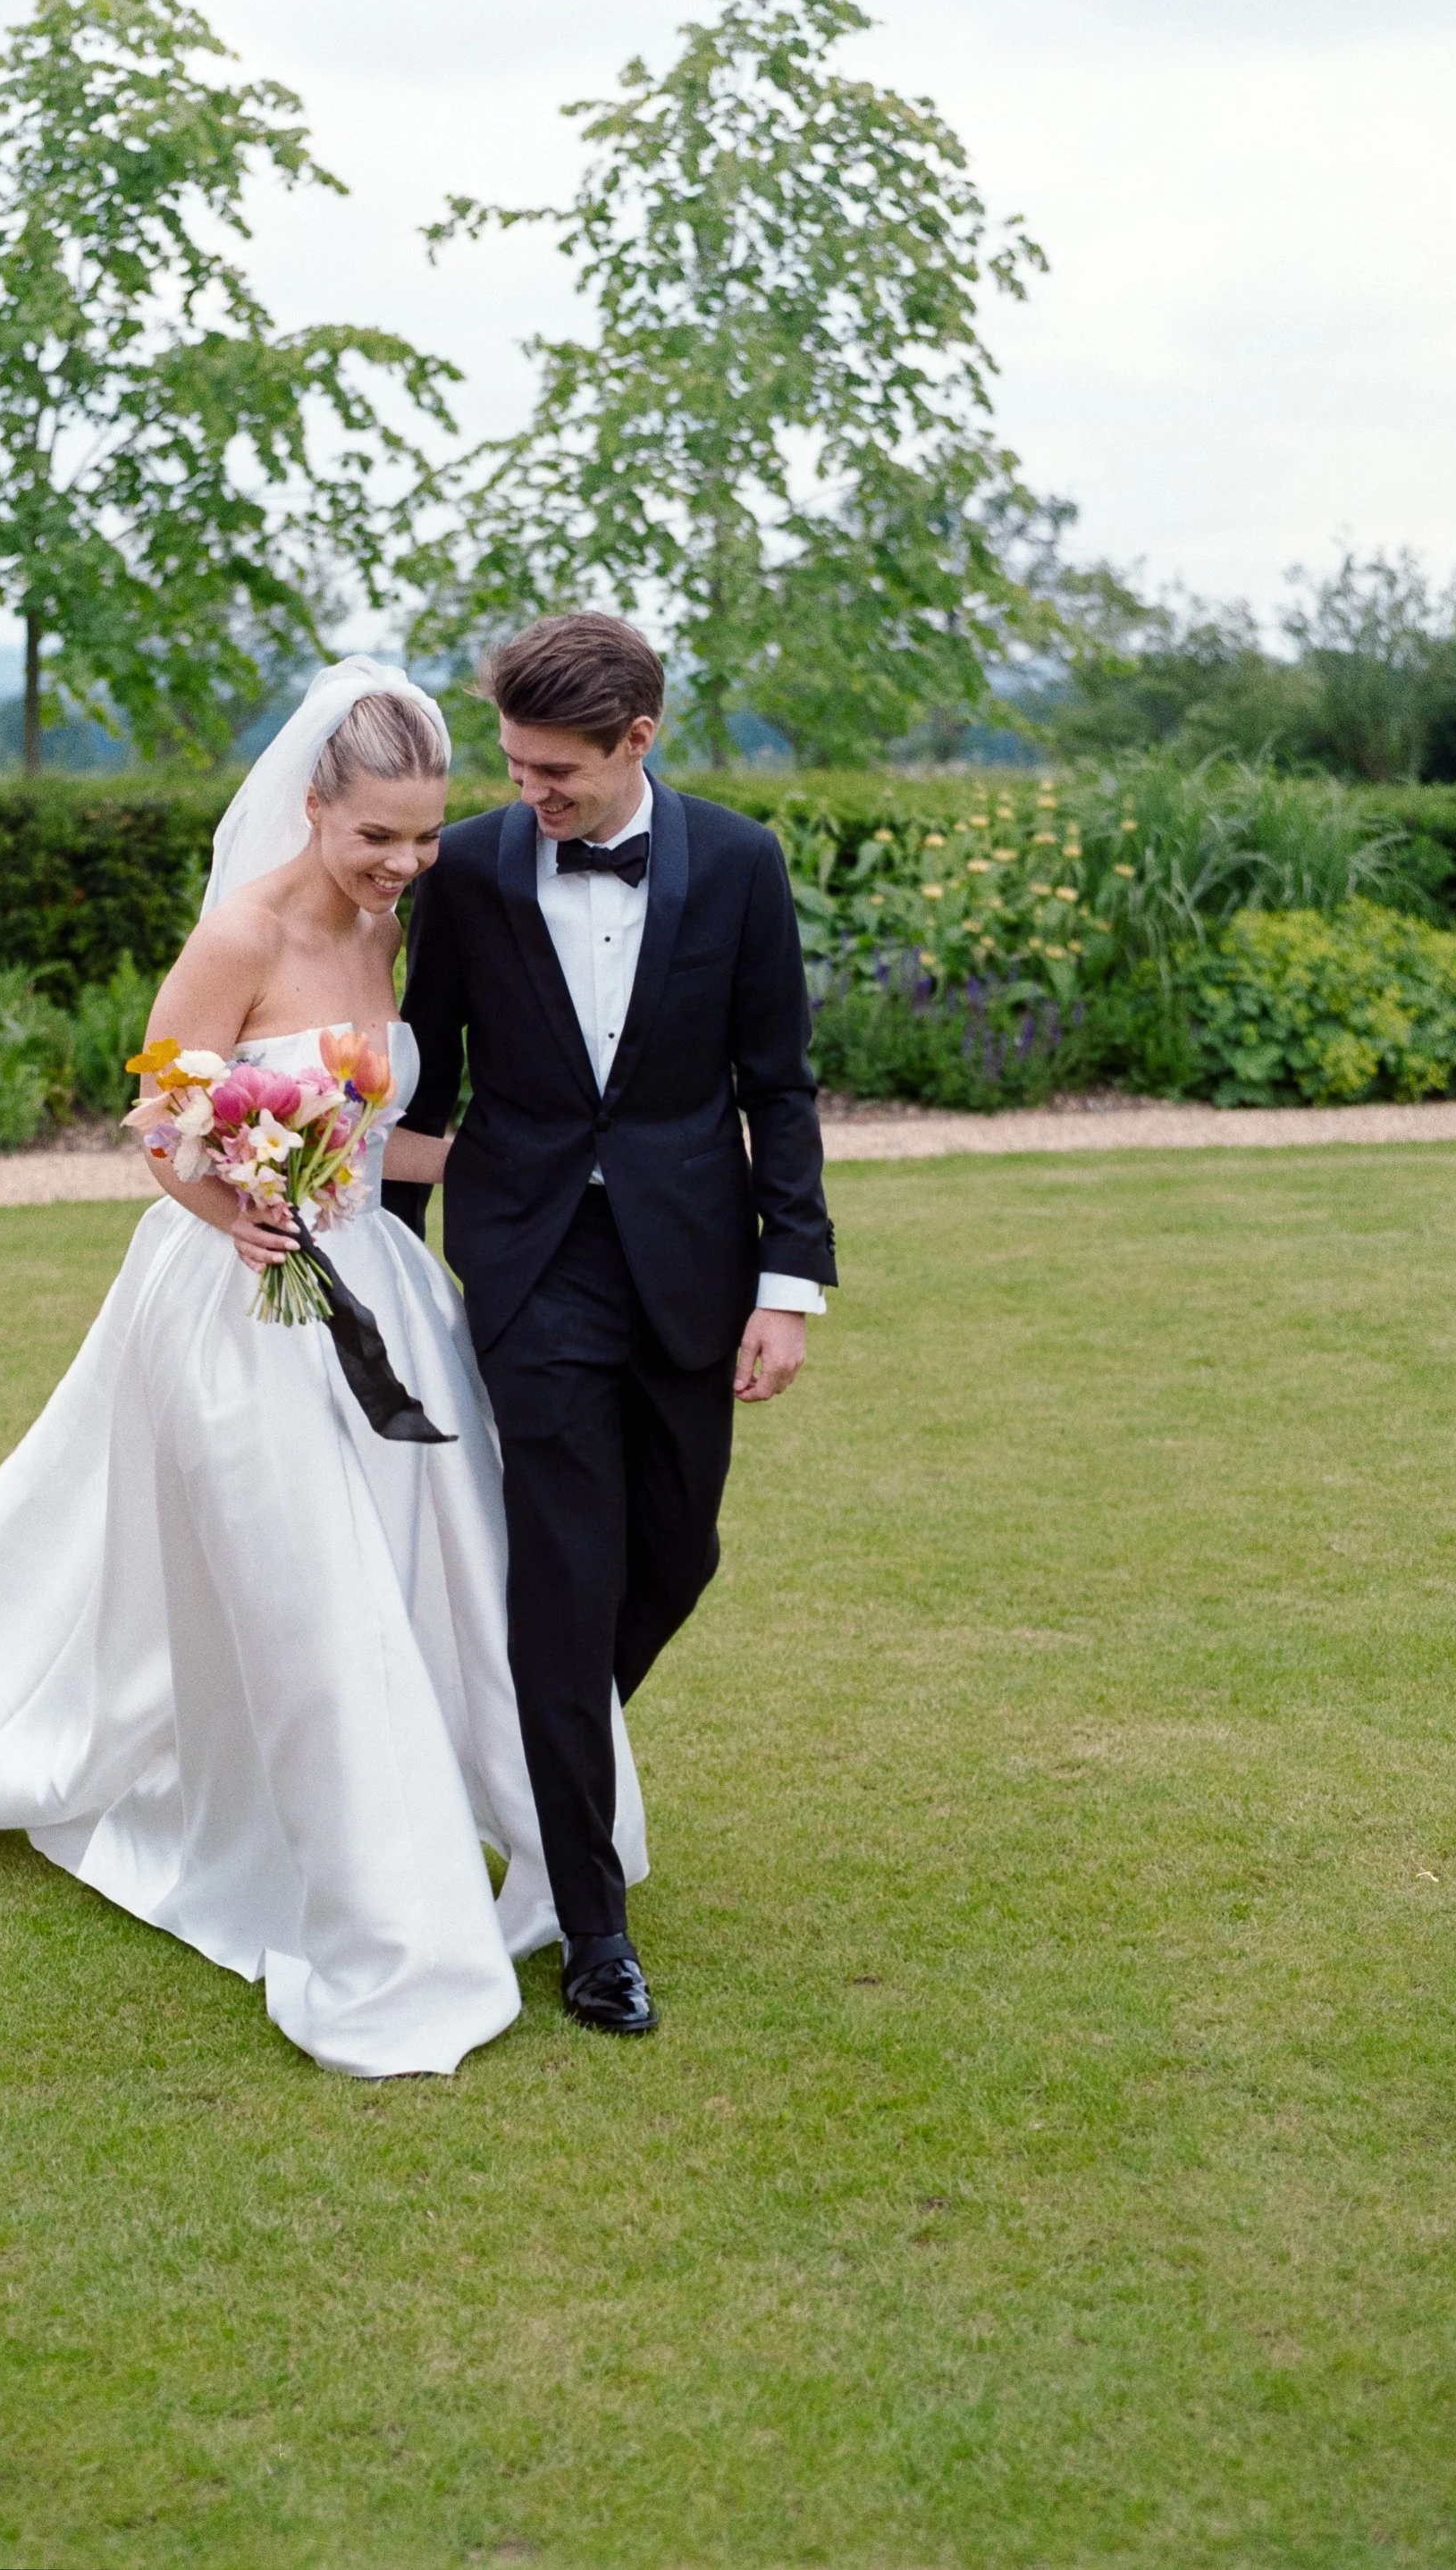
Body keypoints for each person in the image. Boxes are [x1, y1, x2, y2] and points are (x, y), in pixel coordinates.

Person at [0, 661, 648, 2081]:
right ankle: (372, 1907)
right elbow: (159, 1123)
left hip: (375, 1284)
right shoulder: (240, 929)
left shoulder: (402, 928)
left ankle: (513, 1831)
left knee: (447, 1560)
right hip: (234, 1298)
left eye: (426, 832)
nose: (401, 861)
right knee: (305, 1582)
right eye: (374, 832)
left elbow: (380, 1136)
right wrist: (238, 1207)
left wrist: (551, 1161)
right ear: (314, 804)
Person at [395, 611, 836, 2037]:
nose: (532, 793)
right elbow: (425, 1087)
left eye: (557, 772)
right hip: (530, 1267)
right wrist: (388, 1280)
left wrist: (788, 1281)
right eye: (516, 767)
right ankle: (590, 1921)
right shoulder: (463, 869)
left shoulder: (743, 866)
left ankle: (543, 1753)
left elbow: (780, 1083)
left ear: (638, 740)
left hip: (690, 1263)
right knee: (568, 1572)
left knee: (678, 1550)